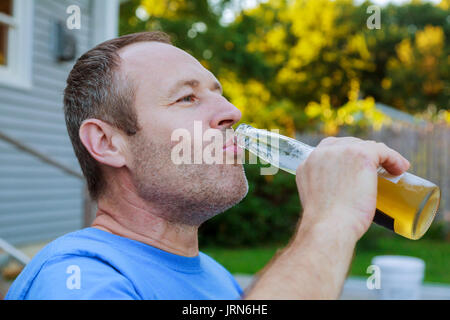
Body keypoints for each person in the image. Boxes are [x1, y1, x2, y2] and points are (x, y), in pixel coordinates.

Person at [6, 31, 410, 300]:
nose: (232, 111)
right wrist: (330, 222)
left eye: (219, 94)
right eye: (187, 98)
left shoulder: (216, 279)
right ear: (108, 143)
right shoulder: (77, 281)